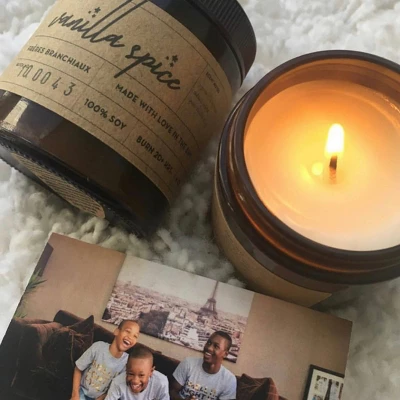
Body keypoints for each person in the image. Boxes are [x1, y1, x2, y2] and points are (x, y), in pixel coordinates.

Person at [70, 320, 140, 400]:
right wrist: (75, 395)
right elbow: (78, 369)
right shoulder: (98, 347)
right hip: (81, 392)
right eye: (128, 331)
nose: (130, 337)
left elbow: (114, 389)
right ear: (116, 331)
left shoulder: (127, 363)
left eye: (135, 336)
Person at [170, 331, 236, 400]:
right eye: (209, 343)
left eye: (216, 346)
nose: (209, 348)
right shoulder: (188, 363)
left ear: (225, 354)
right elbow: (172, 391)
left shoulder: (229, 380)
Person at [105, 347, 169, 400]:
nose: (135, 381)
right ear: (126, 368)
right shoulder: (118, 383)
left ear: (151, 371)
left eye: (141, 375)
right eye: (131, 374)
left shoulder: (161, 382)